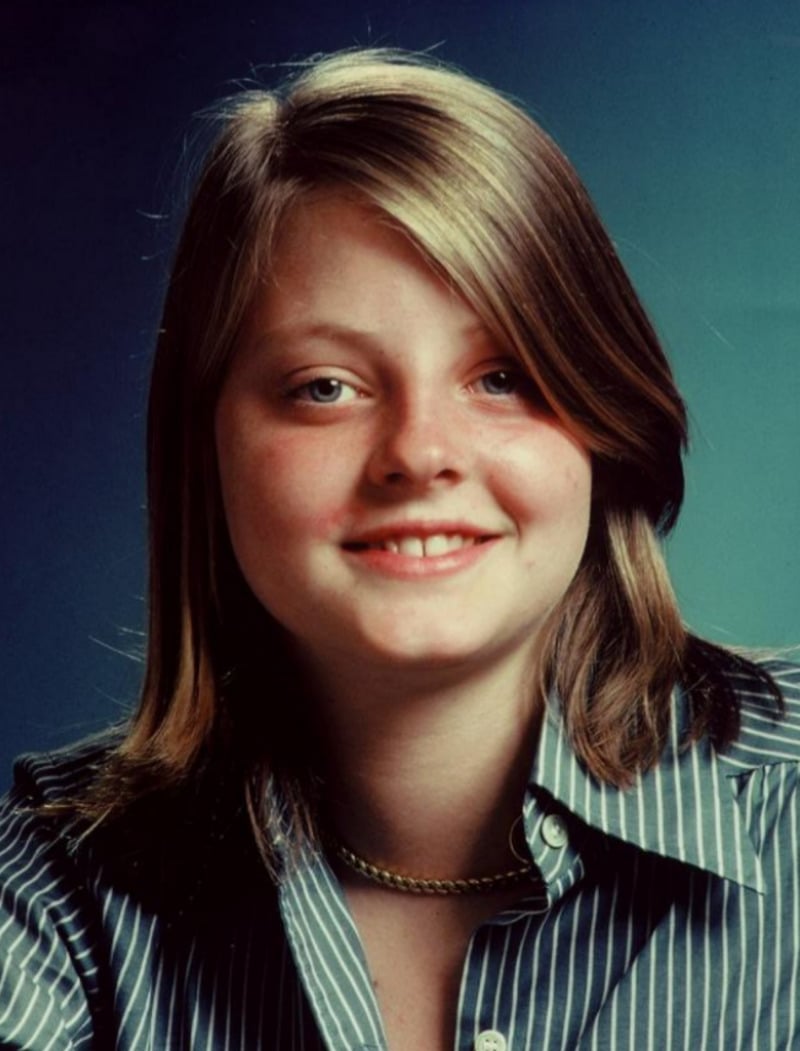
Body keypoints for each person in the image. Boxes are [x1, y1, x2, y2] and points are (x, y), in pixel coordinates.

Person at [1, 48, 797, 1051]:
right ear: (205, 449)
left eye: (501, 375)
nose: (419, 453)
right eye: (324, 385)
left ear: (600, 416)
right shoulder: (58, 889)